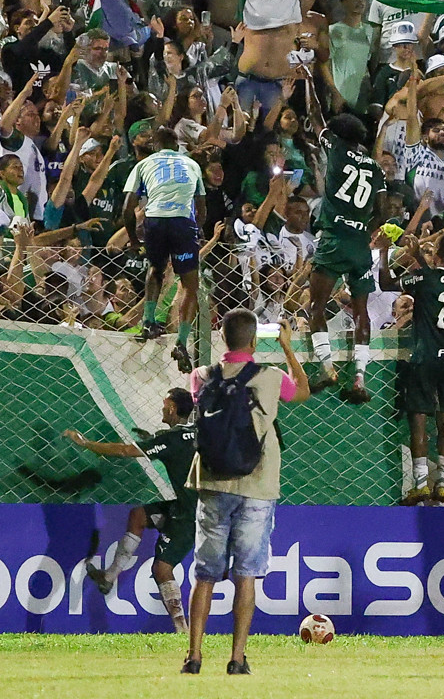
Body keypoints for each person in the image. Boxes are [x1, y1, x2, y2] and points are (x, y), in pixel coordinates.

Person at [182, 309, 309, 675]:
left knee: (205, 573)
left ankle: (194, 655)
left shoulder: (201, 376)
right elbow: (302, 391)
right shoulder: (270, 378)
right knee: (247, 574)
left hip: (211, 481)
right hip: (258, 482)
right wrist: (286, 347)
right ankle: (237, 658)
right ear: (255, 340)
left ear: (222, 339)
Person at [66, 387, 196, 632]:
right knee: (138, 515)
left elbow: (126, 451)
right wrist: (152, 442)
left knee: (162, 568)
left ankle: (182, 629)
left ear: (172, 409)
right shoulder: (197, 432)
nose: (162, 407)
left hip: (189, 513)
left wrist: (86, 444)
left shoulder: (169, 440)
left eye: (164, 403)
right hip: (195, 505)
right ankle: (109, 577)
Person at [305, 113, 384, 402]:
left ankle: (327, 368)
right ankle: (360, 379)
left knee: (317, 305)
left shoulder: (336, 149)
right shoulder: (376, 168)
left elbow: (318, 124)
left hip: (334, 239)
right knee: (362, 311)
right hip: (360, 243)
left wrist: (310, 86)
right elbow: (383, 208)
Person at [392, 231, 444, 506]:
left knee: (419, 420)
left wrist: (411, 256)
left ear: (436, 253)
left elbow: (388, 281)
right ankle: (442, 482)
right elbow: (439, 280)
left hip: (426, 356)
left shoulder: (425, 277)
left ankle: (420, 483)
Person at [122, 124, 206, 373]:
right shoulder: (191, 165)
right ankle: (181, 340)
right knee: (190, 284)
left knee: (155, 269)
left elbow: (128, 208)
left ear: (155, 146)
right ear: (177, 145)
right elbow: (201, 208)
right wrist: (195, 231)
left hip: (155, 220)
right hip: (182, 222)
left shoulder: (144, 165)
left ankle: (148, 321)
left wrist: (134, 240)